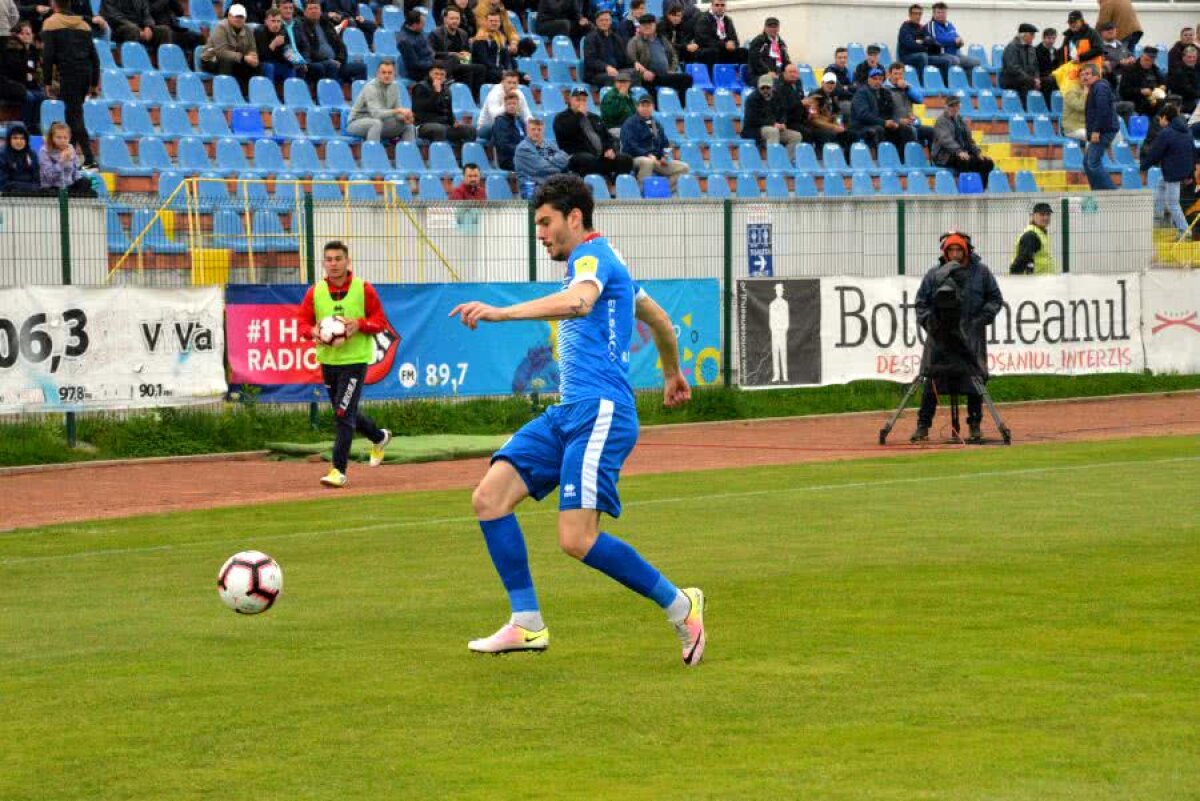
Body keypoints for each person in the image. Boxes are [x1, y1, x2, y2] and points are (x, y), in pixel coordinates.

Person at [448, 173, 705, 665]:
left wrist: (501, 313)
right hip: (570, 411)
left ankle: (681, 605)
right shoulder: (608, 263)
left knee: (576, 539)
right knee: (489, 498)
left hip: (600, 411)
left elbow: (578, 302)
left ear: (574, 217)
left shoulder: (590, 259)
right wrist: (672, 372)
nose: (540, 233)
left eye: (546, 223)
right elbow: (659, 320)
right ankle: (526, 623)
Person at [296, 240, 392, 489]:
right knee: (345, 411)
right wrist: (313, 331)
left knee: (342, 414)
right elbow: (302, 323)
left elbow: (380, 322)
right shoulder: (315, 292)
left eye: (338, 259)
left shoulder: (363, 288)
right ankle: (379, 437)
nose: (334, 264)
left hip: (355, 361)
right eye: (329, 259)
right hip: (328, 361)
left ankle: (338, 470)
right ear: (323, 263)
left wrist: (359, 324)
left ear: (348, 261)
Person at [911, 231, 1002, 444]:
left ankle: (975, 425)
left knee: (975, 381)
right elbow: (921, 303)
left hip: (971, 339)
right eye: (950, 250)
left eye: (958, 249)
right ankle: (923, 426)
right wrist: (931, 324)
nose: (954, 254)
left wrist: (981, 320)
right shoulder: (934, 274)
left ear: (966, 250)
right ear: (945, 252)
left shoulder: (982, 273)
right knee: (932, 380)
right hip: (940, 339)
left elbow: (995, 299)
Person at [40, 0, 98, 168]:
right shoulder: (84, 25)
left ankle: (89, 158)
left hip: (69, 74)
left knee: (75, 115)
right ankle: (70, 157)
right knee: (72, 114)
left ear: (54, 4)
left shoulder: (51, 23)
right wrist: (94, 83)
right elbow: (95, 58)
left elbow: (48, 56)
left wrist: (47, 81)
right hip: (85, 74)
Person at [1140, 104, 1196, 239]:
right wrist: (1190, 174)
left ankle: (1185, 231)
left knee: (1173, 203)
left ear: (1165, 118)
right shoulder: (1187, 131)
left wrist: (1143, 167)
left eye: (1160, 118)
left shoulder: (1166, 133)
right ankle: (1159, 216)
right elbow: (1192, 153)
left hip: (1173, 172)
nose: (1159, 121)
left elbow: (1155, 153)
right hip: (1182, 170)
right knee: (1160, 185)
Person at [554, 85, 633, 179]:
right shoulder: (561, 118)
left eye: (584, 100)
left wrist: (610, 149)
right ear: (570, 101)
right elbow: (567, 132)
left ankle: (614, 182)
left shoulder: (594, 117)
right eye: (578, 100)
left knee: (626, 159)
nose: (581, 103)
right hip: (576, 155)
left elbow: (608, 137)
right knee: (588, 159)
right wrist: (579, 115)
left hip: (600, 156)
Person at [620, 94, 688, 191]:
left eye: (648, 106)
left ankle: (659, 191)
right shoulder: (630, 123)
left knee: (684, 168)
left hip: (656, 160)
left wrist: (665, 156)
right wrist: (647, 155)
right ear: (637, 107)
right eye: (643, 106)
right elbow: (630, 144)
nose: (645, 108)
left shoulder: (655, 124)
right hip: (635, 158)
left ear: (653, 107)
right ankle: (641, 192)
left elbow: (665, 143)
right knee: (647, 162)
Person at [347, 59, 417, 143]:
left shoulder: (395, 87)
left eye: (390, 73)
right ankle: (373, 150)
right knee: (375, 123)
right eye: (383, 72)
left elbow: (397, 114)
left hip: (381, 121)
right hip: (357, 122)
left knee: (408, 125)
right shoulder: (371, 88)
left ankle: (407, 150)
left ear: (394, 74)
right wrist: (397, 111)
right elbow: (376, 114)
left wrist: (405, 117)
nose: (387, 75)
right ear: (378, 74)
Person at [626, 12, 691, 97]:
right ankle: (654, 104)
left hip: (664, 74)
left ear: (655, 25)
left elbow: (674, 55)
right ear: (640, 27)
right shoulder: (634, 41)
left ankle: (680, 103)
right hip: (647, 76)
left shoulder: (662, 39)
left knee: (687, 79)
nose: (647, 27)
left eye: (650, 24)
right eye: (644, 25)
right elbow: (632, 61)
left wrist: (672, 69)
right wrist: (644, 72)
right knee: (648, 84)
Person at [411, 61, 476, 145]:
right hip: (424, 124)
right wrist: (436, 93)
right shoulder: (420, 87)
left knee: (470, 130)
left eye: (442, 74)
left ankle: (462, 151)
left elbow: (448, 110)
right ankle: (439, 152)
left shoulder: (446, 89)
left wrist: (453, 122)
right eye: (436, 74)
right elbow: (420, 110)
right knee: (439, 129)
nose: (439, 77)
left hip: (444, 125)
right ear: (430, 73)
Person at [931, 95, 993, 178]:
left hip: (959, 153)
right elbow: (946, 140)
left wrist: (978, 153)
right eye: (951, 106)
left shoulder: (960, 120)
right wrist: (959, 151)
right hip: (944, 156)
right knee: (965, 161)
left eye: (956, 106)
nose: (954, 108)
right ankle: (966, 184)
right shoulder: (941, 121)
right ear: (945, 107)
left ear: (959, 107)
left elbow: (969, 140)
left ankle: (980, 185)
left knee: (987, 163)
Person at [201, 4, 258, 93]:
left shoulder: (248, 30)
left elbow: (252, 49)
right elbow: (221, 52)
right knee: (226, 61)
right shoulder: (221, 27)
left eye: (241, 17)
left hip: (236, 58)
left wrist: (254, 58)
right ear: (229, 16)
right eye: (236, 16)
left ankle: (251, 94)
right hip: (211, 58)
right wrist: (244, 58)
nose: (239, 19)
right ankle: (225, 93)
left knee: (256, 66)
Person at [0, 21, 44, 134]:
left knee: (40, 96)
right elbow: (15, 72)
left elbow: (34, 72)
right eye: (22, 33)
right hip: (9, 85)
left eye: (28, 33)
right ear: (16, 35)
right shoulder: (12, 49)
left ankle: (35, 126)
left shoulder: (33, 51)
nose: (25, 36)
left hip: (25, 85)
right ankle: (24, 126)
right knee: (29, 97)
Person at [430, 6, 487, 93]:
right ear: (445, 19)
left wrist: (467, 54)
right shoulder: (436, 34)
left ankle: (474, 97)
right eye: (452, 18)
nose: (455, 21)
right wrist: (451, 54)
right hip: (445, 63)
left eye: (457, 18)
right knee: (460, 62)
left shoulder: (463, 33)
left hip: (461, 63)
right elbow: (432, 53)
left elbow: (467, 51)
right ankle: (445, 82)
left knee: (481, 68)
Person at [744, 73, 801, 156]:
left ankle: (786, 160)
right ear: (758, 87)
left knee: (796, 136)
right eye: (762, 88)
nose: (765, 90)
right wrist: (772, 124)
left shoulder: (777, 96)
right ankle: (773, 160)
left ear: (772, 87)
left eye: (768, 87)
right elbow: (753, 119)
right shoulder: (752, 99)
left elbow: (783, 112)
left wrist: (782, 123)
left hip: (774, 127)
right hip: (755, 129)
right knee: (773, 131)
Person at [1081, 63, 1118, 190]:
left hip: (1103, 131)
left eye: (1087, 74)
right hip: (1102, 130)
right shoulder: (1095, 88)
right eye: (1082, 74)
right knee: (1087, 162)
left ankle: (1112, 192)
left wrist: (1096, 131)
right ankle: (1097, 191)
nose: (1084, 77)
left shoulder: (1100, 87)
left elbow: (1102, 110)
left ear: (1096, 75)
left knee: (1093, 163)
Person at [38, 120, 95, 195]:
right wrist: (61, 161)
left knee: (87, 185)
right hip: (52, 187)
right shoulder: (44, 151)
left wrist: (79, 181)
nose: (62, 140)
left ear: (69, 138)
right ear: (52, 138)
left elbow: (75, 172)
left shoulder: (70, 148)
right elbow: (49, 177)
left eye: (65, 138)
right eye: (59, 137)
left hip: (68, 186)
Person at [897, 4, 953, 79]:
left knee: (946, 60)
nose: (918, 16)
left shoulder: (922, 28)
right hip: (907, 57)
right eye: (915, 14)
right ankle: (922, 82)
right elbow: (910, 45)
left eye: (920, 14)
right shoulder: (905, 28)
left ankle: (945, 84)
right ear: (910, 15)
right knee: (922, 56)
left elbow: (931, 41)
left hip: (924, 56)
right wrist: (925, 45)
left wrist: (923, 43)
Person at [883, 61, 930, 148]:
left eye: (900, 74)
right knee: (910, 131)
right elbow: (884, 113)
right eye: (895, 74)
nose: (898, 77)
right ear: (889, 74)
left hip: (910, 122)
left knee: (931, 131)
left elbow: (920, 99)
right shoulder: (884, 90)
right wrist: (898, 120)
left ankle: (934, 156)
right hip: (895, 125)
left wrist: (907, 88)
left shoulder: (907, 87)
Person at [513, 115, 569, 187]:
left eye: (539, 129)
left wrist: (549, 159)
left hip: (552, 183)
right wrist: (559, 166)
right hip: (533, 187)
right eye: (533, 129)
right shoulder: (523, 148)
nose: (536, 132)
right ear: (527, 130)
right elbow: (541, 169)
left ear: (543, 131)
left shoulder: (550, 143)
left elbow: (565, 158)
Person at [477, 69, 531, 142]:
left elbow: (526, 115)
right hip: (487, 128)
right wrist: (508, 104)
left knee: (525, 127)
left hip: (508, 126)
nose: (512, 86)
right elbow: (494, 116)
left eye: (514, 83)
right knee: (503, 127)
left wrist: (532, 127)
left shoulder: (519, 94)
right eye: (509, 82)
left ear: (518, 84)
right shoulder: (494, 93)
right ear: (502, 82)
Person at [581, 8, 629, 87]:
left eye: (607, 20)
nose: (604, 22)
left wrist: (635, 63)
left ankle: (631, 94)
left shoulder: (616, 38)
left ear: (611, 21)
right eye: (601, 20)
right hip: (596, 74)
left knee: (635, 73)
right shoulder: (590, 38)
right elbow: (590, 60)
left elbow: (624, 58)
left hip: (616, 71)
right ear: (596, 22)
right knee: (615, 78)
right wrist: (606, 67)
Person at [925, 2, 979, 71]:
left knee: (975, 62)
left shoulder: (949, 24)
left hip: (955, 53)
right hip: (940, 54)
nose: (941, 15)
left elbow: (957, 37)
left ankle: (966, 78)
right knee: (955, 60)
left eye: (943, 12)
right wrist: (953, 41)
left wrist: (960, 42)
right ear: (933, 14)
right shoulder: (931, 25)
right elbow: (937, 40)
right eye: (938, 12)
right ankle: (950, 78)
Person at [690, 0, 744, 68]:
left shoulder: (727, 20)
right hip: (708, 50)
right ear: (712, 6)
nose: (720, 7)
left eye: (722, 5)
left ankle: (741, 73)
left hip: (724, 50)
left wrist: (733, 44)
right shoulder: (703, 19)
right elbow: (704, 40)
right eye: (717, 5)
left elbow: (735, 39)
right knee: (713, 52)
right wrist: (724, 45)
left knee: (743, 52)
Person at [472, 9, 519, 85]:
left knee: (523, 77)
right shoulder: (480, 38)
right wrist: (501, 72)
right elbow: (484, 60)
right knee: (507, 79)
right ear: (486, 22)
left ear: (500, 23)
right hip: (487, 71)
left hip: (498, 70)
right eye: (491, 21)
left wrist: (509, 71)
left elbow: (506, 57)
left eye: (496, 21)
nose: (494, 23)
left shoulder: (501, 37)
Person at [255, 7, 300, 86]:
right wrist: (273, 44)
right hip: (263, 64)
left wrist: (295, 60)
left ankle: (292, 92)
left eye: (278, 21)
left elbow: (287, 52)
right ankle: (269, 92)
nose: (276, 24)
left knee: (291, 66)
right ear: (266, 22)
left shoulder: (283, 32)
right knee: (269, 66)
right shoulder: (260, 32)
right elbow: (261, 57)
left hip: (277, 63)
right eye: (273, 21)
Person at [1119, 45, 1165, 118]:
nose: (1148, 63)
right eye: (1146, 60)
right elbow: (1123, 91)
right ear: (1141, 57)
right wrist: (1140, 91)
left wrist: (1163, 86)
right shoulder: (1130, 70)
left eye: (1151, 61)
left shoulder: (1155, 70)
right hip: (1137, 102)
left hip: (1154, 101)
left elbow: (1163, 82)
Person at [100, 0, 170, 48]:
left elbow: (146, 14)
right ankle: (132, 61)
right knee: (133, 29)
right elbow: (113, 16)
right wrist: (139, 30)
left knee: (164, 30)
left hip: (139, 28)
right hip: (118, 28)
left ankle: (164, 63)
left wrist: (148, 26)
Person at [1010, 202, 1056, 274]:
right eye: (1042, 214)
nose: (1046, 217)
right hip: (1035, 279)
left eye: (1048, 214)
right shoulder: (1031, 235)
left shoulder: (1040, 233)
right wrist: (1016, 277)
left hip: (1041, 278)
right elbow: (1023, 259)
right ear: (1033, 216)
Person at [999, 23, 1040, 102]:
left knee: (1046, 83)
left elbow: (1035, 66)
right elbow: (1013, 68)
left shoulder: (1031, 48)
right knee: (1028, 83)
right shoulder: (1012, 47)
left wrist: (1037, 78)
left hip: (1026, 79)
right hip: (1011, 79)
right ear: (1023, 35)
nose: (1033, 37)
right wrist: (1031, 79)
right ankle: (1024, 107)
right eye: (1031, 34)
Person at [0, 122, 40, 194]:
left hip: (32, 196)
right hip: (7, 196)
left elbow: (37, 181)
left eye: (22, 138)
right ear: (9, 139)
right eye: (15, 138)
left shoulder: (32, 154)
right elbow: (4, 184)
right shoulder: (2, 155)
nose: (19, 141)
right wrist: (30, 187)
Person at [491, 90, 527, 170]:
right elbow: (503, 145)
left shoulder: (520, 120)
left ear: (518, 105)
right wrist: (521, 151)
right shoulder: (500, 121)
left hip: (522, 156)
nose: (512, 106)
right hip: (508, 159)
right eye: (509, 104)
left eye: (514, 104)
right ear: (505, 105)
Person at [746, 16, 788, 82]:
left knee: (794, 79)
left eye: (775, 27)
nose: (772, 29)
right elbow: (755, 60)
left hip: (777, 75)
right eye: (770, 27)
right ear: (765, 28)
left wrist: (789, 69)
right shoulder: (758, 41)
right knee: (775, 83)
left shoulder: (780, 43)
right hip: (758, 75)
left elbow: (786, 60)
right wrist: (767, 72)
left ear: (778, 28)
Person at [600, 69, 636, 137]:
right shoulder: (610, 96)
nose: (622, 84)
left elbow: (634, 112)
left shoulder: (630, 95)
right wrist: (621, 97)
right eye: (620, 82)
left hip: (629, 126)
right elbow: (612, 114)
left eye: (625, 82)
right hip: (614, 127)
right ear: (615, 83)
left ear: (629, 83)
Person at [1167, 46, 1200, 114]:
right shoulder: (1178, 71)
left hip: (1193, 100)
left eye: (1194, 57)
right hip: (1183, 103)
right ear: (1183, 58)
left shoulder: (1195, 69)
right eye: (1189, 57)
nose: (1192, 59)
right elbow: (1188, 90)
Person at [1035, 28, 1060, 101]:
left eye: (1053, 38)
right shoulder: (1036, 50)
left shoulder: (1055, 51)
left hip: (1052, 76)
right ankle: (1048, 104)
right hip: (1041, 77)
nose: (1051, 41)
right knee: (1050, 81)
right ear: (1043, 38)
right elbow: (1035, 67)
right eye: (1049, 38)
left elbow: (1057, 66)